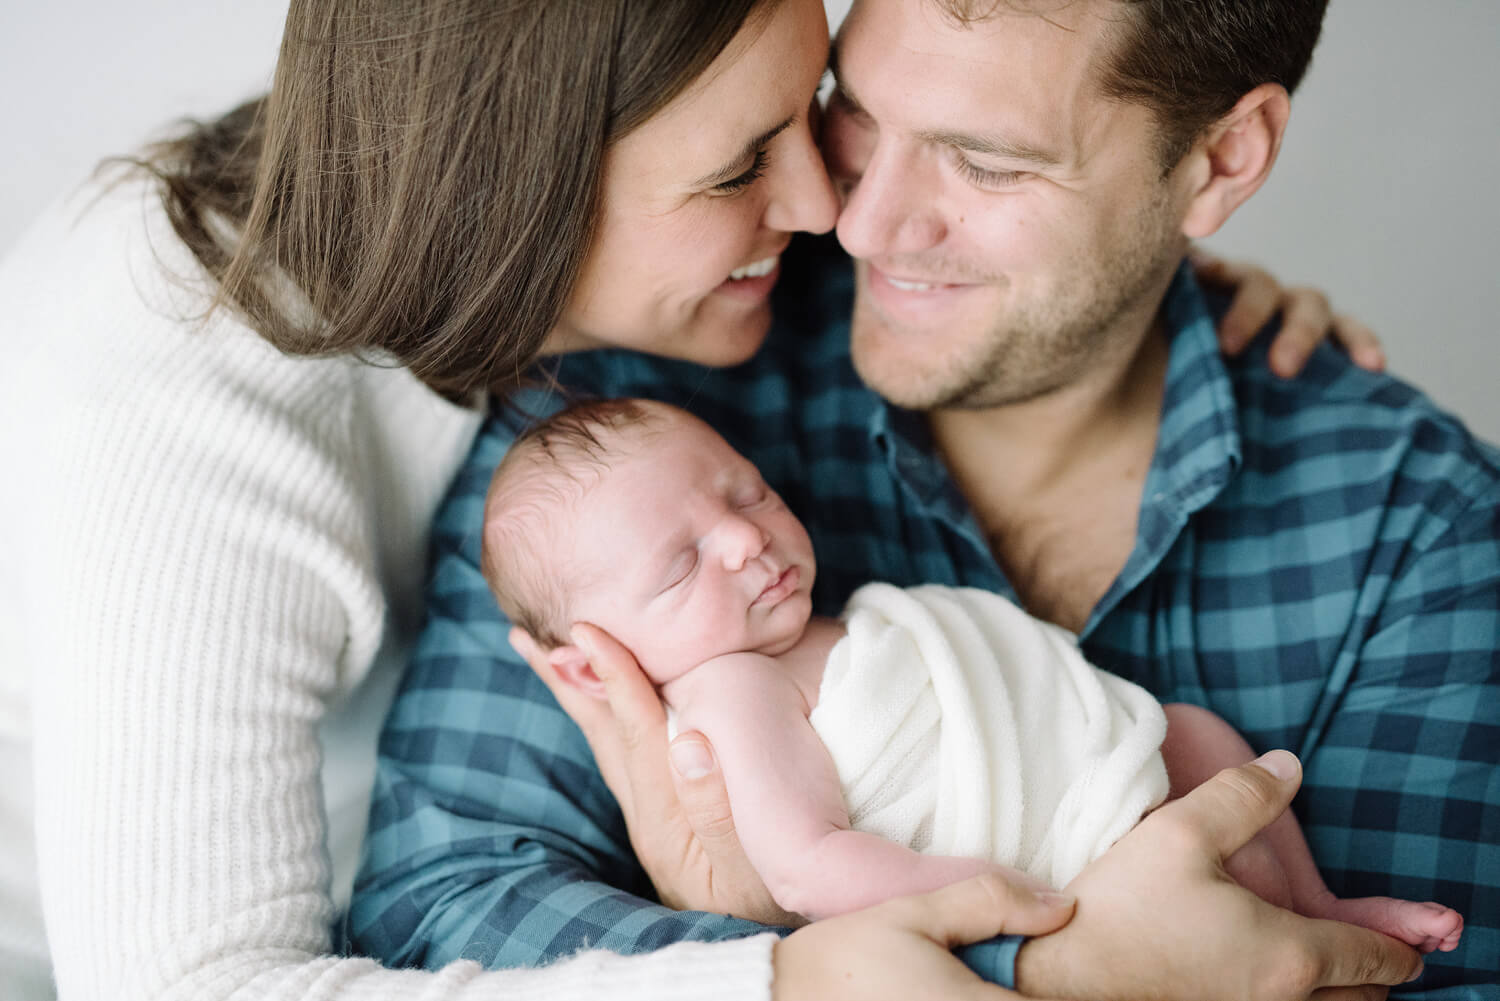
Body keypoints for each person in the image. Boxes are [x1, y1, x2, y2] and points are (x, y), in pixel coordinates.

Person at [0, 1, 1372, 999]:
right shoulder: (175, 401)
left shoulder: (536, 273)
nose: (828, 206)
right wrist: (803, 979)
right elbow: (195, 988)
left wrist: (1147, 282)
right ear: (512, 189)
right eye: (737, 168)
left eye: (805, 115)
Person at [352, 0, 1500, 998]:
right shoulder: (640, 419)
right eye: (852, 109)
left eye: (986, 161)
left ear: (1222, 160)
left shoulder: (1413, 531)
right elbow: (438, 913)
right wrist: (1046, 969)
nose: (855, 224)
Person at [481, 396, 1463, 950]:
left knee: (1197, 734)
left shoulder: (815, 627)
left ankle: (1323, 909)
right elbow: (806, 860)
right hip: (1057, 857)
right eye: (681, 561)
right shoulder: (732, 694)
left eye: (748, 490)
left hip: (1102, 769)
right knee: (1215, 843)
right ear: (588, 660)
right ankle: (1308, 930)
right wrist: (994, 894)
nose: (745, 536)